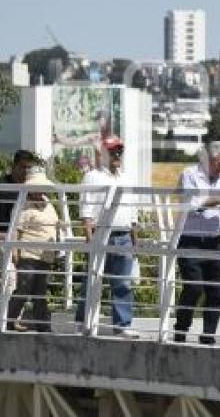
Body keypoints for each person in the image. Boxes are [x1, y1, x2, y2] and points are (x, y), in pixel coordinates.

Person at [74, 136, 139, 338]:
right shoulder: (92, 176)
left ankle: (122, 325)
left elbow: (132, 210)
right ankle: (82, 321)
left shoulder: (126, 177)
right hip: (101, 233)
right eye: (113, 151)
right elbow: (86, 210)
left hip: (123, 235)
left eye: (119, 151)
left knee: (123, 283)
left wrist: (135, 237)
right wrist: (89, 236)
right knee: (92, 281)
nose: (117, 155)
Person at [174, 141, 220, 344]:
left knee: (216, 291)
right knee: (193, 287)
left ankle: (208, 335)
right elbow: (192, 206)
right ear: (208, 159)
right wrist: (219, 199)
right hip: (191, 241)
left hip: (215, 241)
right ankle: (181, 328)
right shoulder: (190, 174)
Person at [7, 167, 60, 332]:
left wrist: (58, 246)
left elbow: (55, 225)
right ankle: (9, 319)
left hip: (45, 256)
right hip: (28, 254)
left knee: (40, 293)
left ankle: (43, 325)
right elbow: (16, 229)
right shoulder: (23, 205)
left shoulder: (48, 203)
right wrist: (14, 252)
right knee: (24, 288)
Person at [0, 150, 41, 240]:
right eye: (23, 167)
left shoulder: (33, 188)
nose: (26, 171)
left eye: (29, 168)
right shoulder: (0, 189)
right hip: (7, 238)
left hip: (30, 236)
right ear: (14, 167)